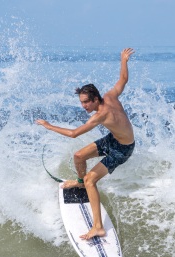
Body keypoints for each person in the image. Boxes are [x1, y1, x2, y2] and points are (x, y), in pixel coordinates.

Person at [36, 48, 135, 240]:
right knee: (79, 156)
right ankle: (81, 184)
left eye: (86, 103)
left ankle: (98, 227)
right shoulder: (110, 96)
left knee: (92, 179)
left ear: (95, 99)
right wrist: (123, 60)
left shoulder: (101, 115)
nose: (84, 106)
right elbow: (123, 80)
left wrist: (49, 126)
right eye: (81, 102)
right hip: (114, 139)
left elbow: (73, 134)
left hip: (122, 149)